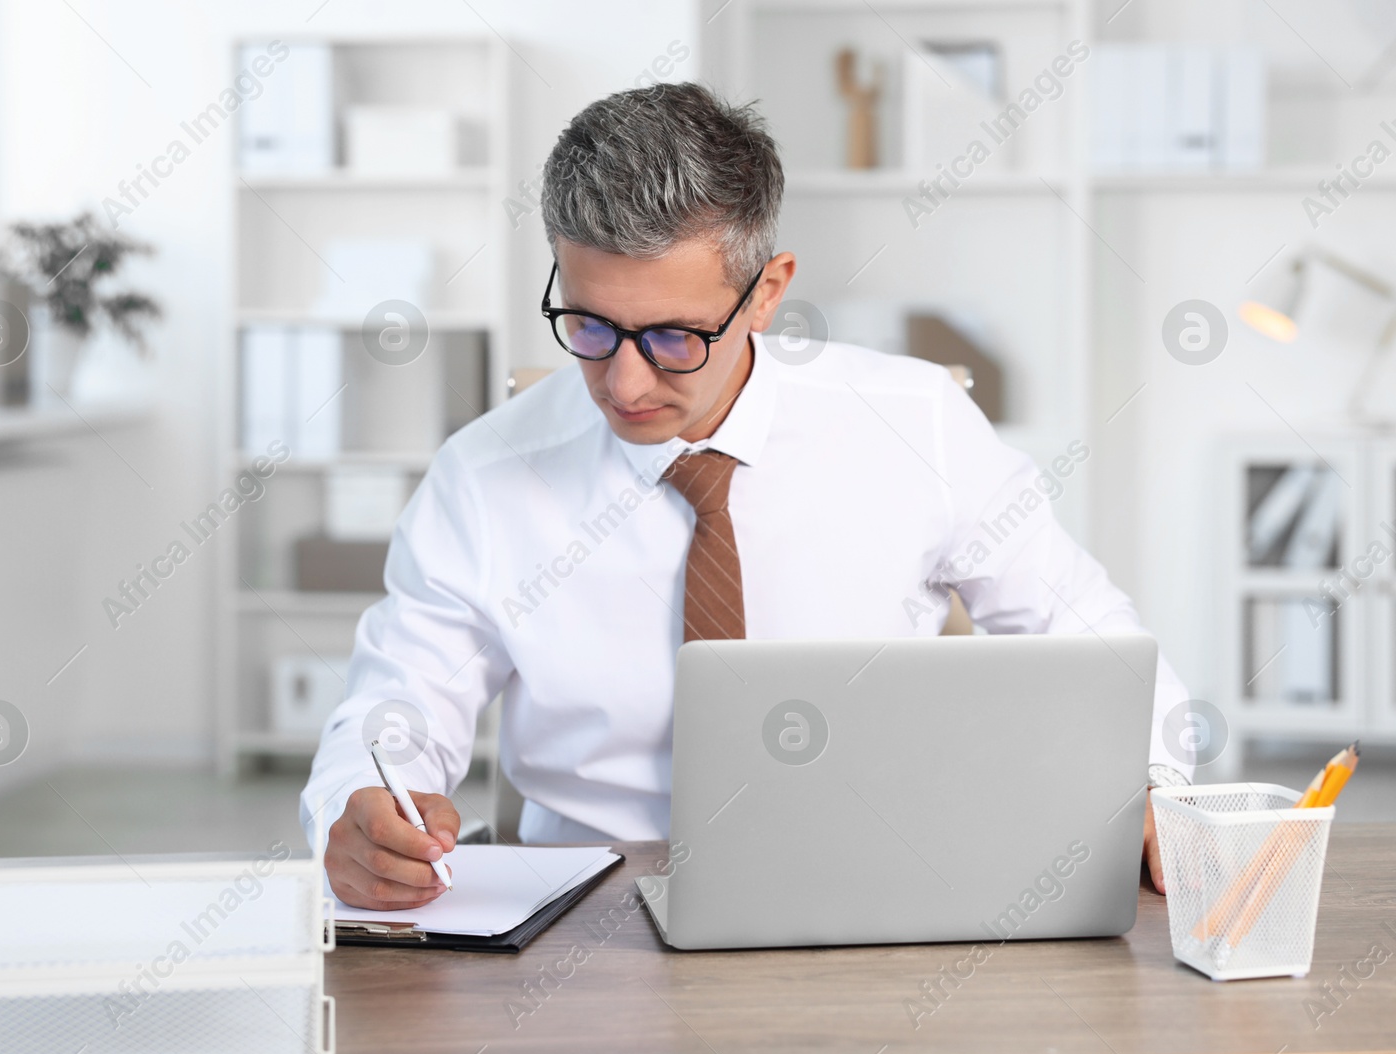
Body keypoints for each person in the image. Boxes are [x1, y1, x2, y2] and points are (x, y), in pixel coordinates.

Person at [301, 82, 1194, 911]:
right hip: (587, 912)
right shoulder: (483, 475)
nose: (624, 380)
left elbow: (1091, 640)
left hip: (874, 890)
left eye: (674, 337)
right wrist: (363, 802)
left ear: (766, 293)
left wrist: (1150, 783)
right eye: (589, 324)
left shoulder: (915, 422)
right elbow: (399, 702)